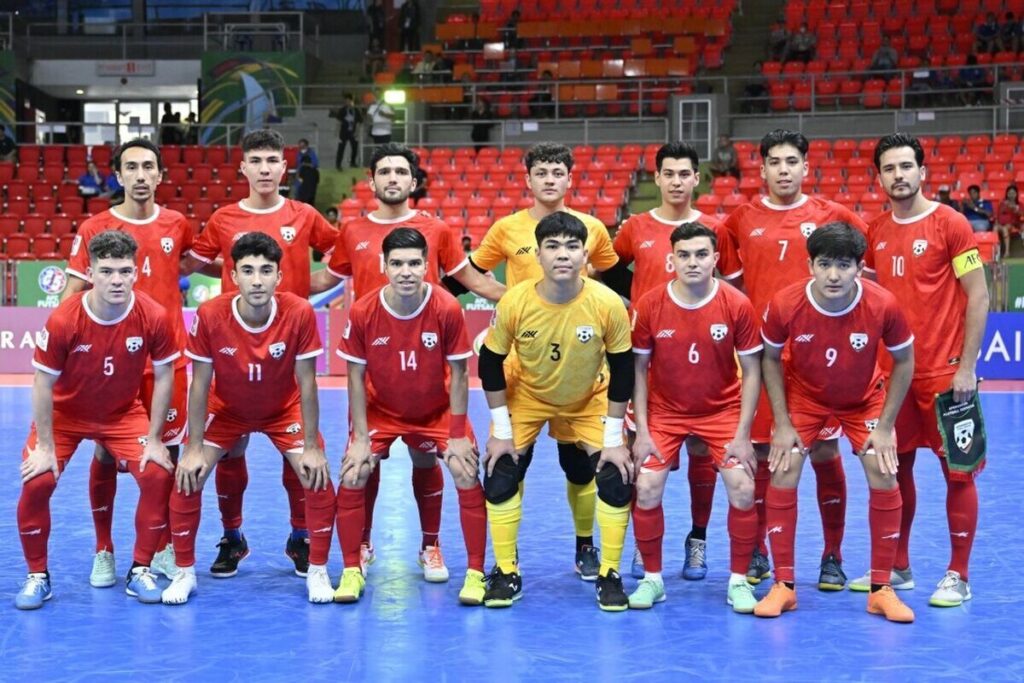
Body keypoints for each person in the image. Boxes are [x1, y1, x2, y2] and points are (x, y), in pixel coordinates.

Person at [309, 143, 502, 578]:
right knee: (362, 464)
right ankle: (360, 543)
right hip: (377, 377)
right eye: (385, 171)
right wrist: (266, 281)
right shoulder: (353, 231)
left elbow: (469, 278)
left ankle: (430, 546)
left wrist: (526, 299)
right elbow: (326, 279)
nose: (393, 178)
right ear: (372, 181)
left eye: (401, 172)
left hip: (427, 377)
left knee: (426, 460)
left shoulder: (436, 230)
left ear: (413, 182)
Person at [470, 142, 631, 582]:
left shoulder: (598, 248)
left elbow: (620, 283)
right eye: (540, 171)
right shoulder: (508, 235)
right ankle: (506, 563)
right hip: (525, 371)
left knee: (588, 469)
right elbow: (466, 274)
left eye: (557, 172)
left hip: (582, 379)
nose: (563, 253)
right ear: (537, 253)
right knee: (504, 469)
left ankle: (589, 551)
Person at [183, 128, 338, 580]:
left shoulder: (304, 214)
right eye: (258, 160)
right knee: (232, 452)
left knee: (300, 457)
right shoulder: (224, 219)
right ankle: (233, 538)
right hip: (235, 349)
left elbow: (343, 256)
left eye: (274, 160)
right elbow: (193, 262)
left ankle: (300, 536)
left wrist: (312, 287)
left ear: (284, 167)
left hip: (289, 346)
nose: (266, 168)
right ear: (244, 168)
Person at [722, 129, 870, 588]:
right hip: (766, 357)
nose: (783, 170)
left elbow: (861, 276)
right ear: (762, 168)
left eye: (792, 161)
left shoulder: (833, 215)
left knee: (825, 449)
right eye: (775, 162)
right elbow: (730, 288)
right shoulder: (739, 220)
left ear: (806, 167)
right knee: (767, 454)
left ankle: (832, 555)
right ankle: (760, 552)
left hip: (821, 359)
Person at [851, 132, 989, 608]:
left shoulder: (951, 225)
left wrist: (967, 366)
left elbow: (979, 294)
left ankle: (959, 573)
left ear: (922, 172)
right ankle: (898, 566)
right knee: (896, 469)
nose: (899, 175)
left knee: (958, 475)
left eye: (906, 166)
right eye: (889, 168)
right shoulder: (874, 233)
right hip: (893, 379)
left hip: (946, 375)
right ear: (880, 177)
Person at [753, 223, 916, 623]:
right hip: (805, 397)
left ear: (860, 268)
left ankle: (881, 589)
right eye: (824, 264)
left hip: (863, 400)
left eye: (844, 265)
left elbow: (905, 361)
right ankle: (784, 585)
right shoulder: (785, 303)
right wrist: (783, 422)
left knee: (883, 471)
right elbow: (769, 359)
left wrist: (885, 426)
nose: (833, 275)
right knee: (784, 466)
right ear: (809, 265)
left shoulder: (882, 305)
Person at [163, 232, 336, 605]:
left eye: (266, 270)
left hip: (282, 407)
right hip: (226, 408)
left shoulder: (299, 312)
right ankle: (187, 570)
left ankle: (317, 567)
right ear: (233, 276)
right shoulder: (210, 315)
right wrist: (192, 447)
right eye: (248, 271)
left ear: (279, 277)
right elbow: (199, 383)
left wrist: (311, 446)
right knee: (187, 476)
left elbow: (307, 382)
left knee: (317, 477)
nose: (257, 279)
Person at [15, 230, 179, 610]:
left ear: (136, 272)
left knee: (157, 473)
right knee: (37, 480)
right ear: (90, 272)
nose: (117, 280)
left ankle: (140, 569)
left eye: (124, 271)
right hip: (64, 415)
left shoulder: (152, 315)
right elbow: (42, 382)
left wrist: (155, 438)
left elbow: (166, 373)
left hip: (122, 414)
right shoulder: (64, 319)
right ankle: (37, 575)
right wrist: (44, 447)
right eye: (106, 271)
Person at [63, 138, 194, 588]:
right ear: (117, 176)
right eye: (131, 167)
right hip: (111, 366)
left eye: (149, 167)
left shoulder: (178, 224)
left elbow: (208, 266)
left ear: (161, 175)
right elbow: (71, 298)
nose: (141, 175)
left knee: (165, 456)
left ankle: (160, 548)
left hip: (167, 362)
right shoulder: (94, 226)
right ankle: (104, 549)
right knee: (103, 449)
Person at [334, 227, 488, 605]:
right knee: (355, 471)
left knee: (466, 470)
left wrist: (455, 433)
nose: (406, 271)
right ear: (383, 265)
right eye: (398, 263)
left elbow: (460, 375)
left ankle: (469, 569)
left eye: (415, 263)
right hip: (380, 410)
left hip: (434, 410)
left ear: (427, 267)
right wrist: (359, 437)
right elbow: (354, 376)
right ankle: (354, 565)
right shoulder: (364, 309)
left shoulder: (447, 307)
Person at [612, 142, 736, 581]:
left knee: (703, 450)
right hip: (649, 356)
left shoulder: (715, 228)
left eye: (686, 173)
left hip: (707, 362)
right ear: (658, 178)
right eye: (670, 173)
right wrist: (636, 307)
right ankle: (645, 552)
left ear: (696, 178)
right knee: (641, 454)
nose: (678, 181)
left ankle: (697, 539)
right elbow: (610, 269)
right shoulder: (636, 227)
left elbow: (733, 285)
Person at [629, 223, 763, 612]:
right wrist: (641, 430)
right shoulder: (651, 304)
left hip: (721, 411)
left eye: (701, 254)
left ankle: (738, 582)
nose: (693, 262)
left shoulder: (736, 303)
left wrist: (743, 434)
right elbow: (639, 370)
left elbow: (752, 371)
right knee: (649, 485)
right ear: (670, 260)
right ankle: (653, 579)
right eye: (684, 255)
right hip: (665, 412)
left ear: (715, 259)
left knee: (742, 487)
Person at [330, 93, 362, 170]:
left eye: (348, 101)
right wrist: (336, 133)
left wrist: (357, 132)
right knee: (341, 148)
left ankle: (353, 162)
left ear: (351, 101)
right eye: (345, 101)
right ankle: (338, 164)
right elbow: (338, 122)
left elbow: (358, 122)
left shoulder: (356, 110)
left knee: (355, 147)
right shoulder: (342, 110)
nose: (347, 102)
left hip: (353, 132)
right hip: (343, 132)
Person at [995, 184, 1019, 256]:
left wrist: (1014, 208)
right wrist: (997, 223)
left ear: (1016, 194)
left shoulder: (1019, 205)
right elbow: (998, 214)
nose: (1011, 195)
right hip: (1000, 224)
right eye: (1009, 193)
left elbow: (1021, 215)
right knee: (995, 229)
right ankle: (995, 252)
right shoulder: (1002, 203)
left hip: (1012, 225)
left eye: (1013, 193)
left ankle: (1007, 252)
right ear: (1007, 194)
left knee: (1005, 229)